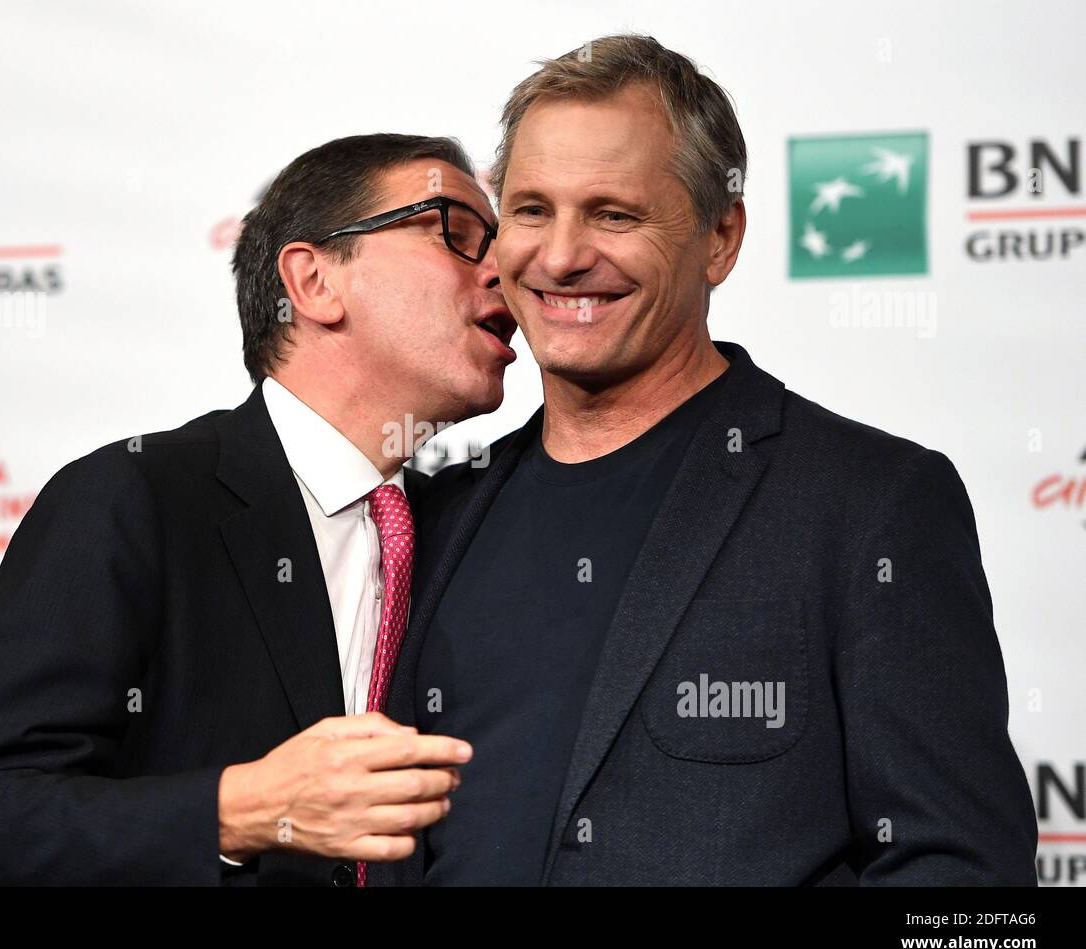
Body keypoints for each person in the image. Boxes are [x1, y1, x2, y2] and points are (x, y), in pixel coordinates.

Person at [378, 34, 1038, 885]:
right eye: (533, 209)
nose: (563, 254)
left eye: (614, 213)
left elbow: (964, 884)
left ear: (721, 236)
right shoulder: (436, 513)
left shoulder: (871, 503)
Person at [0, 133, 518, 886]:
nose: (505, 268)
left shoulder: (472, 527)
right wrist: (244, 808)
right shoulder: (133, 500)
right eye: (456, 232)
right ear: (314, 281)